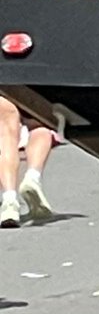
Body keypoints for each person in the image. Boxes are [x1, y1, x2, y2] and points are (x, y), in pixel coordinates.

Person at [0, 96, 56, 227]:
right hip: (29, 86)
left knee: (6, 136)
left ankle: (10, 201)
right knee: (39, 126)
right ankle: (33, 177)